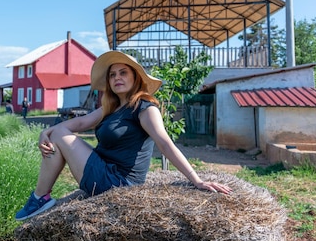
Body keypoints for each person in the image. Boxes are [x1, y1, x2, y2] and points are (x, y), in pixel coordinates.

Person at [15, 50, 232, 221]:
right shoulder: (112, 107)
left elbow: (165, 143)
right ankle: (40, 198)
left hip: (119, 182)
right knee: (59, 132)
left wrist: (197, 180)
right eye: (112, 75)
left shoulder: (144, 108)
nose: (117, 78)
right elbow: (80, 122)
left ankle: (39, 198)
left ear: (135, 77)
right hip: (104, 170)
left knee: (60, 133)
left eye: (123, 72)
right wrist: (45, 132)